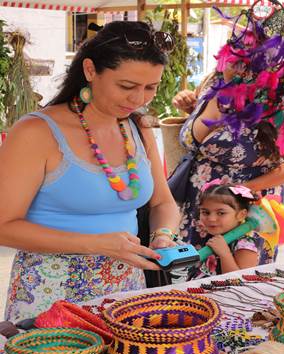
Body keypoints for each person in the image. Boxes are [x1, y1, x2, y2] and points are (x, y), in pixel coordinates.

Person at [0, 21, 181, 323]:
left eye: (151, 87)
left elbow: (163, 203)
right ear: (89, 71)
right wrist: (96, 244)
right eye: (126, 86)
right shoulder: (37, 132)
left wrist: (163, 235)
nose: (138, 100)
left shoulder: (137, 128)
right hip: (50, 292)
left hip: (125, 290)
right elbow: (3, 225)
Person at [174, 61, 284, 264]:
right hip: (200, 207)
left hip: (241, 212)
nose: (236, 60)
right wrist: (191, 110)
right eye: (233, 47)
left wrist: (241, 191)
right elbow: (216, 139)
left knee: (233, 280)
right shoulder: (212, 83)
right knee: (192, 276)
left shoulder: (275, 100)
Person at [187, 181, 272, 280]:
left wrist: (225, 254)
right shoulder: (213, 234)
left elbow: (240, 282)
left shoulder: (245, 244)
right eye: (206, 212)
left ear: (241, 215)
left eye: (221, 213)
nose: (211, 219)